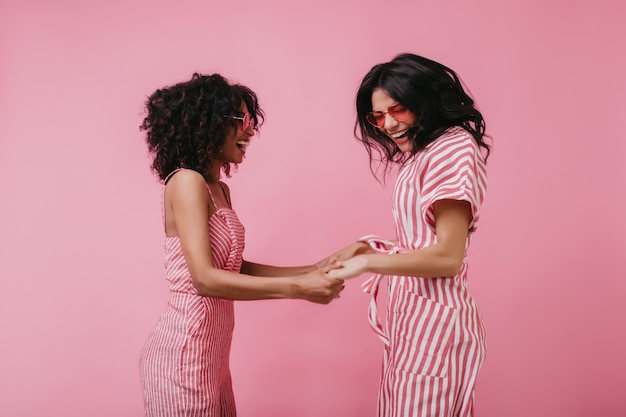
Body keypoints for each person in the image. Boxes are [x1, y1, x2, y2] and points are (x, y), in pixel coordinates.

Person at [138, 73, 344, 417]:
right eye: (242, 120)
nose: (250, 131)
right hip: (183, 353)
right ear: (208, 124)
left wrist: (313, 269)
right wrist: (299, 288)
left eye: (252, 122)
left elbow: (234, 266)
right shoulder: (186, 182)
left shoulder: (218, 189)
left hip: (212, 357)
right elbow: (205, 279)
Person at [325, 53, 491, 417]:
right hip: (414, 320)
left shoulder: (453, 149)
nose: (387, 124)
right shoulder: (426, 152)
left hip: (435, 328)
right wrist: (366, 247)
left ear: (426, 101)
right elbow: (423, 237)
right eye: (377, 116)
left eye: (398, 110)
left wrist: (370, 263)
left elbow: (448, 256)